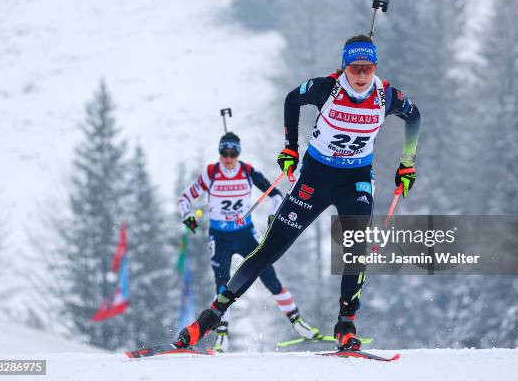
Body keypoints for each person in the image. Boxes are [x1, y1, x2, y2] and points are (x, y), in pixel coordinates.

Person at [175, 34, 421, 351]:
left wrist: (407, 163)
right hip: (315, 178)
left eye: (367, 69)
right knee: (268, 251)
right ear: (344, 67)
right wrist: (290, 149)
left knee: (356, 249)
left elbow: (414, 116)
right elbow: (292, 99)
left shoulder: (386, 96)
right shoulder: (326, 88)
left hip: (355, 180)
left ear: (375, 67)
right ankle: (208, 320)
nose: (361, 76)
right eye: (355, 68)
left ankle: (346, 326)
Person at [178, 132, 320, 352]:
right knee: (222, 285)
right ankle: (222, 335)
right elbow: (185, 198)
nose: (228, 157)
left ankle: (297, 322)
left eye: (232, 152)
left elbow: (275, 194)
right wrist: (187, 215)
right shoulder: (211, 172)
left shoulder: (247, 171)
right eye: (223, 152)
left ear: (238, 152)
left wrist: (274, 215)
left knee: (269, 277)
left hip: (245, 235)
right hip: (220, 236)